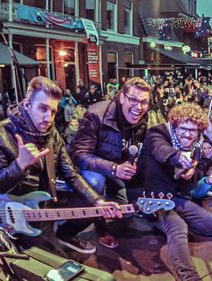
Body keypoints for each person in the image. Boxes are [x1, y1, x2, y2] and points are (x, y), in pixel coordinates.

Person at [0, 76, 121, 255]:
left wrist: (98, 201)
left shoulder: (51, 134)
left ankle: (65, 235)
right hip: (12, 214)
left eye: (53, 112)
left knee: (92, 193)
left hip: (45, 208)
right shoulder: (0, 133)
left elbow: (71, 173)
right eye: (43, 109)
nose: (48, 118)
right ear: (27, 104)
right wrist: (20, 164)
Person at [140, 102, 212, 281]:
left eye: (193, 131)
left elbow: (191, 185)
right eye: (183, 129)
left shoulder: (196, 148)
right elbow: (161, 150)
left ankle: (168, 228)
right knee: (178, 227)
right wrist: (178, 158)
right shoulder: (158, 133)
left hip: (174, 198)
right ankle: (189, 277)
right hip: (152, 197)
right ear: (174, 125)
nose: (187, 134)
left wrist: (190, 175)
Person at [68, 77, 151, 249]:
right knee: (95, 182)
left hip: (115, 169)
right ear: (121, 97)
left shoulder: (142, 118)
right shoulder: (96, 114)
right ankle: (75, 229)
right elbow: (78, 154)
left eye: (144, 102)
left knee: (126, 212)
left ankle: (106, 203)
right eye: (133, 100)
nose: (139, 107)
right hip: (90, 169)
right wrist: (114, 169)